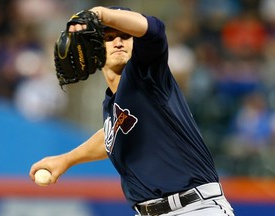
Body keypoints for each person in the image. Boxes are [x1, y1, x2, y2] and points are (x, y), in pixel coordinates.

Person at [29, 6, 234, 216]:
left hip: (195, 207)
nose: (118, 42)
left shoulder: (147, 73)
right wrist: (66, 160)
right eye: (108, 37)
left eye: (125, 36)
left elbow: (155, 30)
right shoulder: (112, 103)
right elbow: (111, 135)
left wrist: (101, 14)